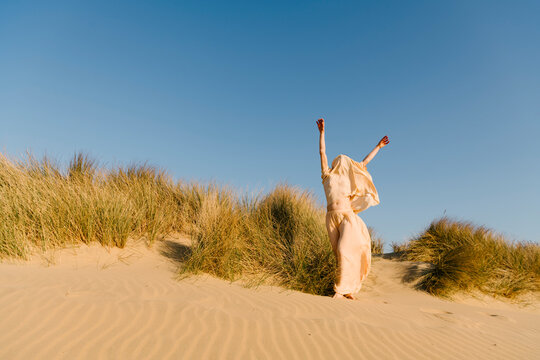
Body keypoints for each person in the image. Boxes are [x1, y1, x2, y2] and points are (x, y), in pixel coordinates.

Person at [316, 118, 389, 299]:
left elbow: (364, 163)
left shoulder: (348, 179)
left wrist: (378, 147)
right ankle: (348, 288)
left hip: (347, 216)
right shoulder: (327, 175)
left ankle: (339, 291)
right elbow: (322, 152)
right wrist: (322, 133)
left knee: (343, 249)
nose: (340, 161)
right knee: (338, 254)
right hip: (331, 217)